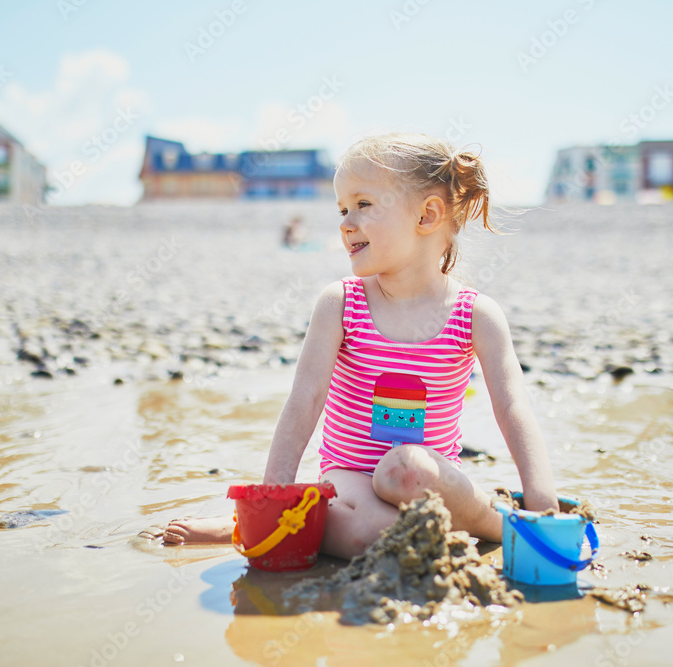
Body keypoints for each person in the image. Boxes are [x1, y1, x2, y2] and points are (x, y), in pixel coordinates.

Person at [165, 132, 558, 559]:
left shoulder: (476, 314)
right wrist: (267, 502)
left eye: (363, 204)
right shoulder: (342, 302)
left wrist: (543, 502)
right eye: (342, 209)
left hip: (428, 478)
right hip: (349, 476)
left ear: (427, 216)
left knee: (405, 468)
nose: (346, 223)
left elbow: (513, 407)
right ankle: (255, 525)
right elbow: (305, 398)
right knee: (364, 534)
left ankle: (499, 526)